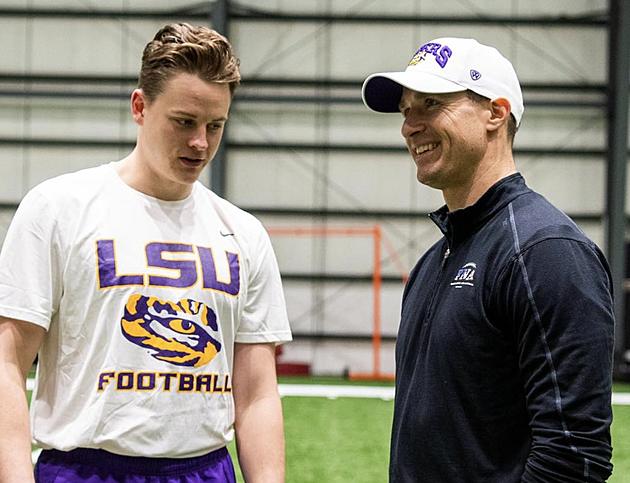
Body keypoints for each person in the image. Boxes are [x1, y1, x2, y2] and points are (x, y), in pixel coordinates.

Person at [0, 23, 292, 482]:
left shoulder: (244, 233)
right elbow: (7, 364)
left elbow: (256, 394)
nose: (201, 142)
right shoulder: (58, 208)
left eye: (215, 125)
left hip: (205, 469)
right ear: (140, 107)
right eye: (184, 122)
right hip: (84, 469)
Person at [362, 37, 614, 482]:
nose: (409, 126)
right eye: (406, 110)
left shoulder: (546, 251)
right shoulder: (434, 259)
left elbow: (574, 457)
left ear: (495, 113)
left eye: (431, 104)